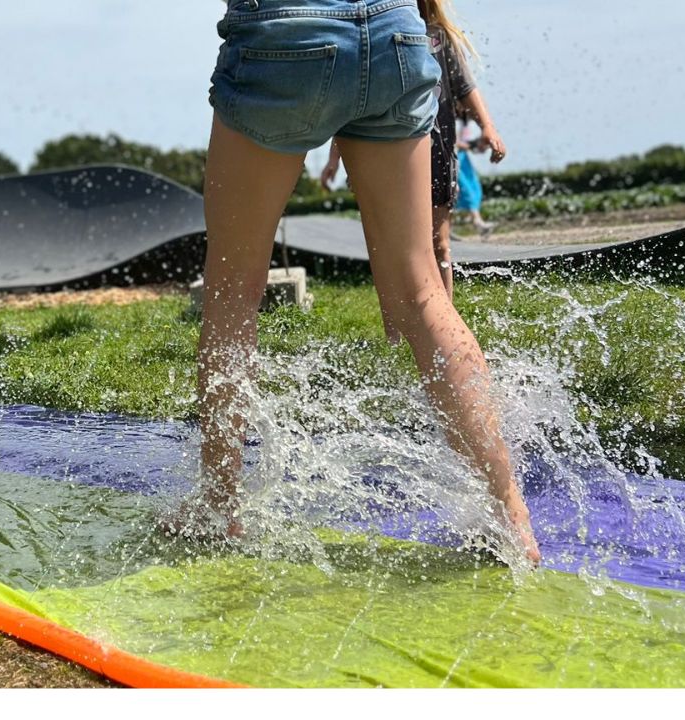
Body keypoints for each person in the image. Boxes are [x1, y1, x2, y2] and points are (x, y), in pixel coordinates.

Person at [184, 0, 540, 564]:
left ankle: (220, 506)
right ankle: (512, 518)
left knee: (233, 292)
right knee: (422, 292)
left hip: (284, 35)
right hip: (395, 34)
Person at [320, 0, 508, 297]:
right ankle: (395, 333)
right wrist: (334, 159)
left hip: (438, 150)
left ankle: (446, 314)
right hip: (386, 153)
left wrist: (489, 127)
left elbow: (465, 86)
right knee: (389, 249)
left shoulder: (438, 37)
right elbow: (354, 106)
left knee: (439, 244)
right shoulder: (370, 34)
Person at [454, 117, 497, 237]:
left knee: (474, 187)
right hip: (454, 157)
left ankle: (475, 220)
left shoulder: (467, 122)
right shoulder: (451, 117)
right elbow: (453, 141)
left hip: (463, 157)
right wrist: (471, 146)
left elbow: (468, 142)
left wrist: (478, 144)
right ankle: (476, 221)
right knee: (462, 188)